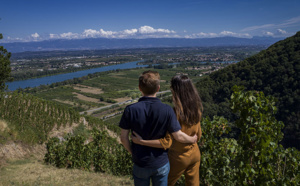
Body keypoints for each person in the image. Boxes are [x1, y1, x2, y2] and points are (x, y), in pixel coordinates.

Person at [119, 71, 197, 186]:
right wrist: (192, 139)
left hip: (140, 163)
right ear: (158, 88)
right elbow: (178, 136)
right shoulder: (167, 110)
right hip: (161, 163)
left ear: (140, 88)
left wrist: (133, 152)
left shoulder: (130, 110)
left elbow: (123, 138)